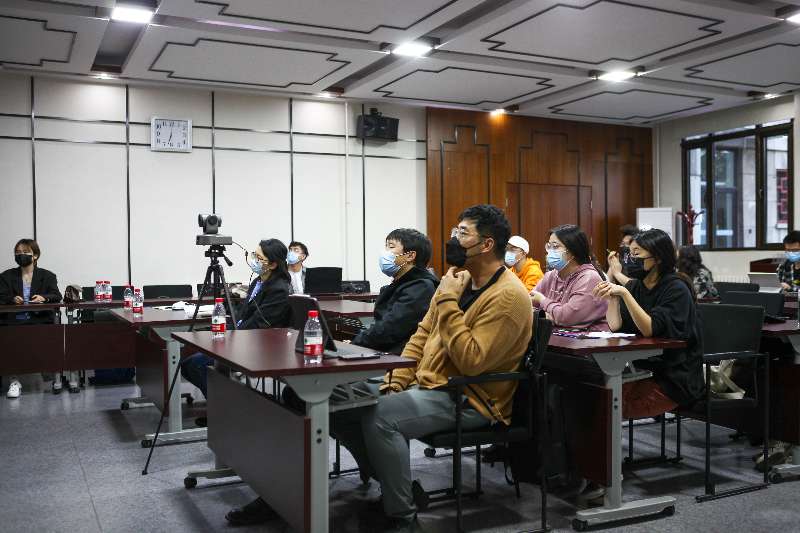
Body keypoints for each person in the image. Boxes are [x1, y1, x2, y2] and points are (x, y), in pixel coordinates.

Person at [593, 228, 704, 420]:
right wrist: (613, 298)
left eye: (636, 254)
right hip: (642, 370)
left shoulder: (676, 288)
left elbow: (650, 329)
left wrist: (624, 293)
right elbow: (616, 326)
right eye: (629, 253)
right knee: (596, 397)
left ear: (658, 258)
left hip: (674, 379)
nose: (630, 259)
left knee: (611, 407)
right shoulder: (637, 285)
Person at [181, 239, 291, 412]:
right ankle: (225, 407)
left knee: (195, 365)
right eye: (254, 255)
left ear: (272, 264)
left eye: (259, 258)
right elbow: (241, 315)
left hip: (257, 345)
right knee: (188, 365)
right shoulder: (258, 282)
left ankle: (227, 410)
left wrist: (230, 337)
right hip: (240, 338)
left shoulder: (279, 289)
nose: (253, 260)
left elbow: (259, 325)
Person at [351, 228, 439, 354]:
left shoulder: (421, 287)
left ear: (410, 256)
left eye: (391, 247)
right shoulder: (401, 283)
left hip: (402, 357)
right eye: (386, 246)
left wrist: (355, 344)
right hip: (388, 350)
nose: (384, 252)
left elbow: (390, 329)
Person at [0, 238, 62, 398]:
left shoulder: (47, 276)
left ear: (35, 255)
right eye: (17, 252)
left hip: (39, 320)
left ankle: (53, 377)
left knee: (48, 338)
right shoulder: (6, 276)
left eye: (25, 252)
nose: (21, 255)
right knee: (9, 340)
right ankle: (14, 381)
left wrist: (44, 298)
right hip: (13, 321)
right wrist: (11, 299)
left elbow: (56, 295)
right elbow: (1, 296)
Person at [530, 225, 608, 331]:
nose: (550, 251)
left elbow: (566, 317)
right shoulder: (551, 275)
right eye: (549, 246)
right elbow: (528, 305)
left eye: (555, 246)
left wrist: (542, 300)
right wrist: (544, 315)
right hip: (557, 335)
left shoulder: (589, 278)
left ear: (572, 251)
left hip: (589, 338)